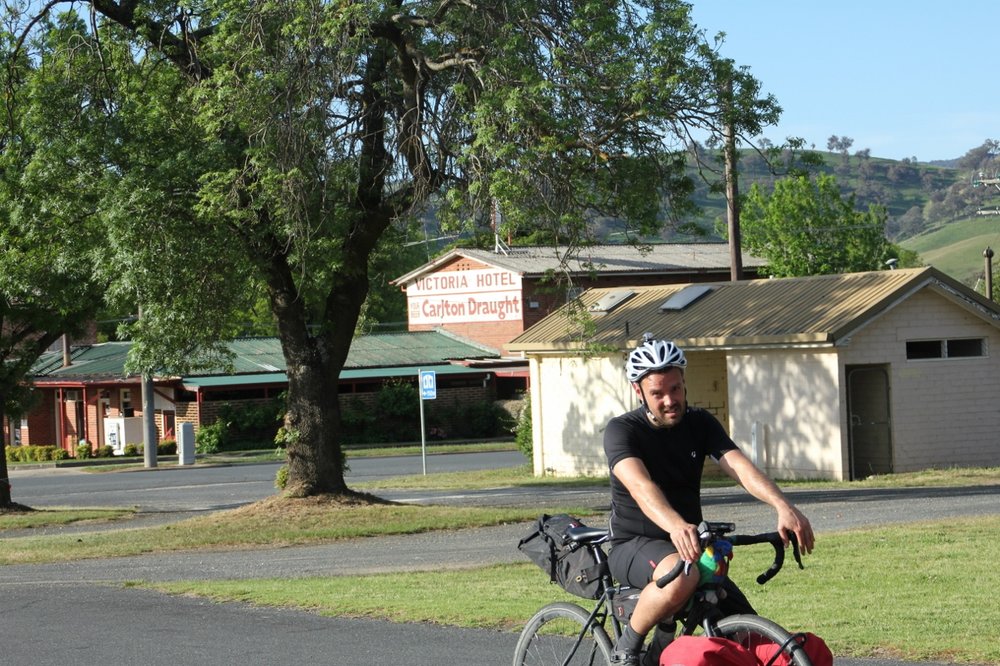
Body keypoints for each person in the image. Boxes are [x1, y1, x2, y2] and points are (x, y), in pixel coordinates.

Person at [604, 333, 815, 666]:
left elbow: (741, 467)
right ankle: (626, 648)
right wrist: (675, 525)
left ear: (684, 384)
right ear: (639, 391)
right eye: (657, 393)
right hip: (635, 542)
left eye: (675, 389)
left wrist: (783, 507)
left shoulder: (699, 423)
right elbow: (640, 486)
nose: (669, 400)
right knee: (682, 572)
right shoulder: (623, 430)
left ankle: (664, 639)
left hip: (690, 544)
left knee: (754, 640)